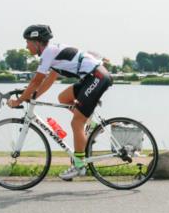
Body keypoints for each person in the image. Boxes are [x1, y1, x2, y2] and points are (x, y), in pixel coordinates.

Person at [9, 24, 113, 180]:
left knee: (76, 123)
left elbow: (36, 80)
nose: (26, 46)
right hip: (92, 77)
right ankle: (91, 125)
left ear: (37, 42)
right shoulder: (53, 53)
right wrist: (33, 96)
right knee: (63, 98)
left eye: (28, 42)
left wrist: (19, 100)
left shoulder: (48, 53)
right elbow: (48, 80)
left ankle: (79, 166)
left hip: (96, 78)